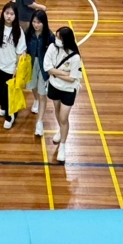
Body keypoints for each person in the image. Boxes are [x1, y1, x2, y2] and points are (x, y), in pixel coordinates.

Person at [44, 26, 83, 164]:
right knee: (57, 110)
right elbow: (47, 68)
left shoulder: (75, 57)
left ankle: (63, 145)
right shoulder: (52, 48)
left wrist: (55, 72)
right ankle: (61, 130)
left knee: (63, 117)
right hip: (54, 86)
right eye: (57, 36)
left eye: (60, 37)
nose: (57, 39)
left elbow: (72, 78)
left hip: (68, 90)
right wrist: (62, 73)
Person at [0, 1, 27, 129]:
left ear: (16, 16)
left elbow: (20, 52)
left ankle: (11, 116)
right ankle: (4, 106)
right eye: (7, 13)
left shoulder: (18, 31)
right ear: (3, 13)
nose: (9, 16)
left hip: (10, 68)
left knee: (8, 93)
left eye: (12, 14)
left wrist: (16, 68)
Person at [24, 9, 52, 137]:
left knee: (43, 94)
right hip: (31, 64)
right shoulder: (28, 33)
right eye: (34, 22)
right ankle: (35, 100)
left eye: (39, 22)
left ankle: (39, 122)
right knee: (33, 86)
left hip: (44, 67)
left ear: (44, 23)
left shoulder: (49, 36)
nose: (36, 25)